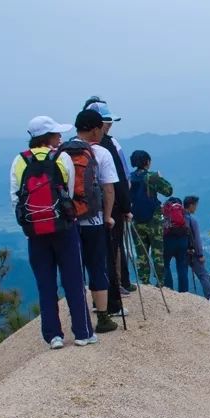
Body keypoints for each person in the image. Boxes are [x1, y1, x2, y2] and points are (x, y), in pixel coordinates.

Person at [10, 116, 96, 349]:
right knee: (74, 281)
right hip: (64, 229)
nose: (60, 137)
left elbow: (15, 198)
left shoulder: (20, 161)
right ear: (48, 137)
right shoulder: (62, 157)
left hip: (35, 233)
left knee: (45, 284)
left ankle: (53, 336)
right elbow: (67, 193)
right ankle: (82, 332)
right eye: (57, 134)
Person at [63, 109, 119, 334]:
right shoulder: (101, 153)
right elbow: (108, 189)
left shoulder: (61, 152)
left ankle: (79, 319)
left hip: (68, 222)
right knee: (98, 266)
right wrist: (107, 216)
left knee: (74, 269)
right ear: (96, 129)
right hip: (94, 222)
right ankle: (103, 317)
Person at [82, 97, 132, 311]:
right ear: (97, 125)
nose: (109, 126)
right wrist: (126, 209)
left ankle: (96, 300)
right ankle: (112, 303)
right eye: (107, 122)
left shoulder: (72, 149)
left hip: (82, 214)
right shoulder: (109, 146)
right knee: (110, 255)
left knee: (93, 258)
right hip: (109, 212)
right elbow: (117, 182)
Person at [128, 150, 173, 286]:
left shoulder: (129, 177)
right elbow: (168, 191)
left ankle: (144, 280)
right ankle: (160, 281)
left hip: (136, 219)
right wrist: (160, 177)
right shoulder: (152, 177)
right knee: (157, 251)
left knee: (141, 252)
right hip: (153, 219)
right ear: (147, 162)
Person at [183, 196, 210, 300]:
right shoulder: (192, 220)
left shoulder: (179, 218)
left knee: (182, 273)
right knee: (203, 274)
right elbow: (197, 239)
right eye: (196, 205)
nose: (196, 208)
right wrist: (200, 254)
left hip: (180, 251)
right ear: (191, 205)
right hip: (192, 253)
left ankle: (181, 294)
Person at [161, 197, 191, 293]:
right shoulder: (183, 213)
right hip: (183, 240)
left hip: (168, 240)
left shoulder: (166, 212)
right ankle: (184, 291)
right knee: (182, 265)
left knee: (165, 264)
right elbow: (188, 229)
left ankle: (169, 289)